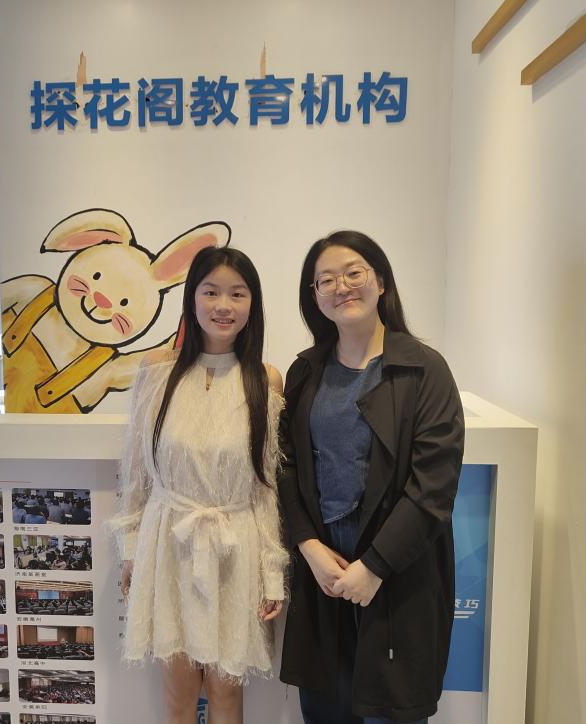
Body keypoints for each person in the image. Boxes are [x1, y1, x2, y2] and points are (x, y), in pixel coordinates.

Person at [277, 231, 464, 723]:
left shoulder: (423, 370)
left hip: (398, 572)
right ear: (314, 297)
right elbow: (285, 465)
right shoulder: (305, 371)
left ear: (380, 281)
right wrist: (308, 546)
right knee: (325, 709)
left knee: (392, 711)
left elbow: (434, 485)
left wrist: (375, 566)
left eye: (353, 273)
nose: (341, 286)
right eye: (325, 280)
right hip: (323, 571)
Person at [109, 246, 287, 724]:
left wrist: (271, 573)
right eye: (211, 292)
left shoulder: (265, 379)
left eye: (237, 294)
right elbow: (136, 474)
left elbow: (265, 487)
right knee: (178, 696)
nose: (223, 305)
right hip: (168, 543)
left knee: (227, 695)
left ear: (252, 304)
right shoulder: (156, 372)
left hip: (235, 548)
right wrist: (130, 551)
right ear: (192, 298)